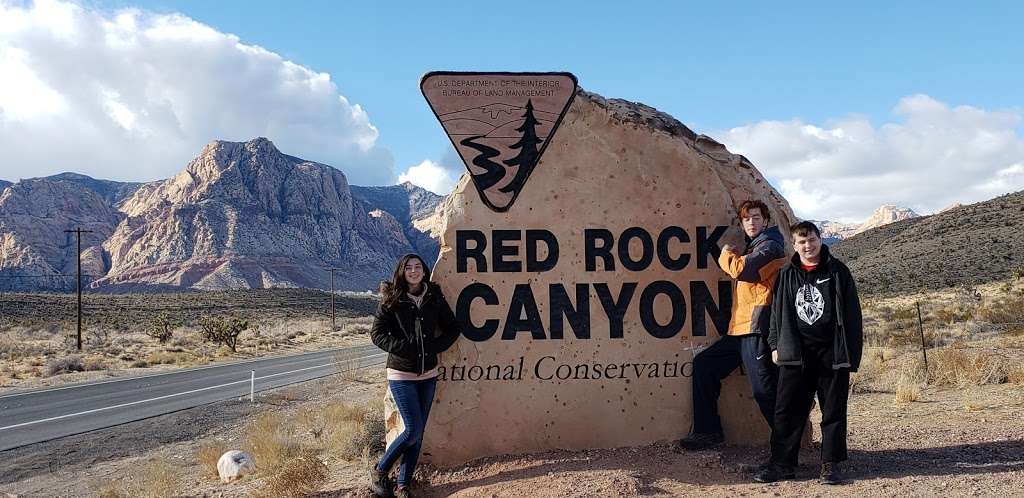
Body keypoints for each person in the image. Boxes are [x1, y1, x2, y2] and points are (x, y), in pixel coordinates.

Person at [755, 221, 863, 485]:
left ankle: (830, 465)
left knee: (833, 411)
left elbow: (852, 316)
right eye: (802, 242)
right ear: (795, 245)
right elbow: (776, 316)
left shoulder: (838, 272)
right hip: (795, 353)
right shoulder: (786, 275)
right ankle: (782, 464)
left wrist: (852, 355)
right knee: (787, 412)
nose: (808, 246)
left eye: (812, 240)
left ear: (820, 239)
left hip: (831, 354)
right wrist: (774, 345)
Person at [678, 200, 786, 450]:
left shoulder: (771, 246)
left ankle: (786, 449)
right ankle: (708, 432)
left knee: (765, 392)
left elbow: (743, 270)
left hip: (757, 329)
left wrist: (725, 252)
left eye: (756, 217)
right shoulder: (755, 245)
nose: (751, 222)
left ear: (766, 221)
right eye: (746, 219)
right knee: (704, 365)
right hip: (739, 331)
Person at [368, 254, 462, 498]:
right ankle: (380, 471)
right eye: (408, 268)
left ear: (424, 270)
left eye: (417, 267)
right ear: (402, 272)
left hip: (428, 373)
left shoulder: (433, 296)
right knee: (412, 430)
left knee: (418, 434)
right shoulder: (392, 299)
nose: (413, 271)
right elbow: (377, 335)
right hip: (401, 373)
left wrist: (433, 347)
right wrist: (406, 348)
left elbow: (453, 328)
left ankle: (402, 485)